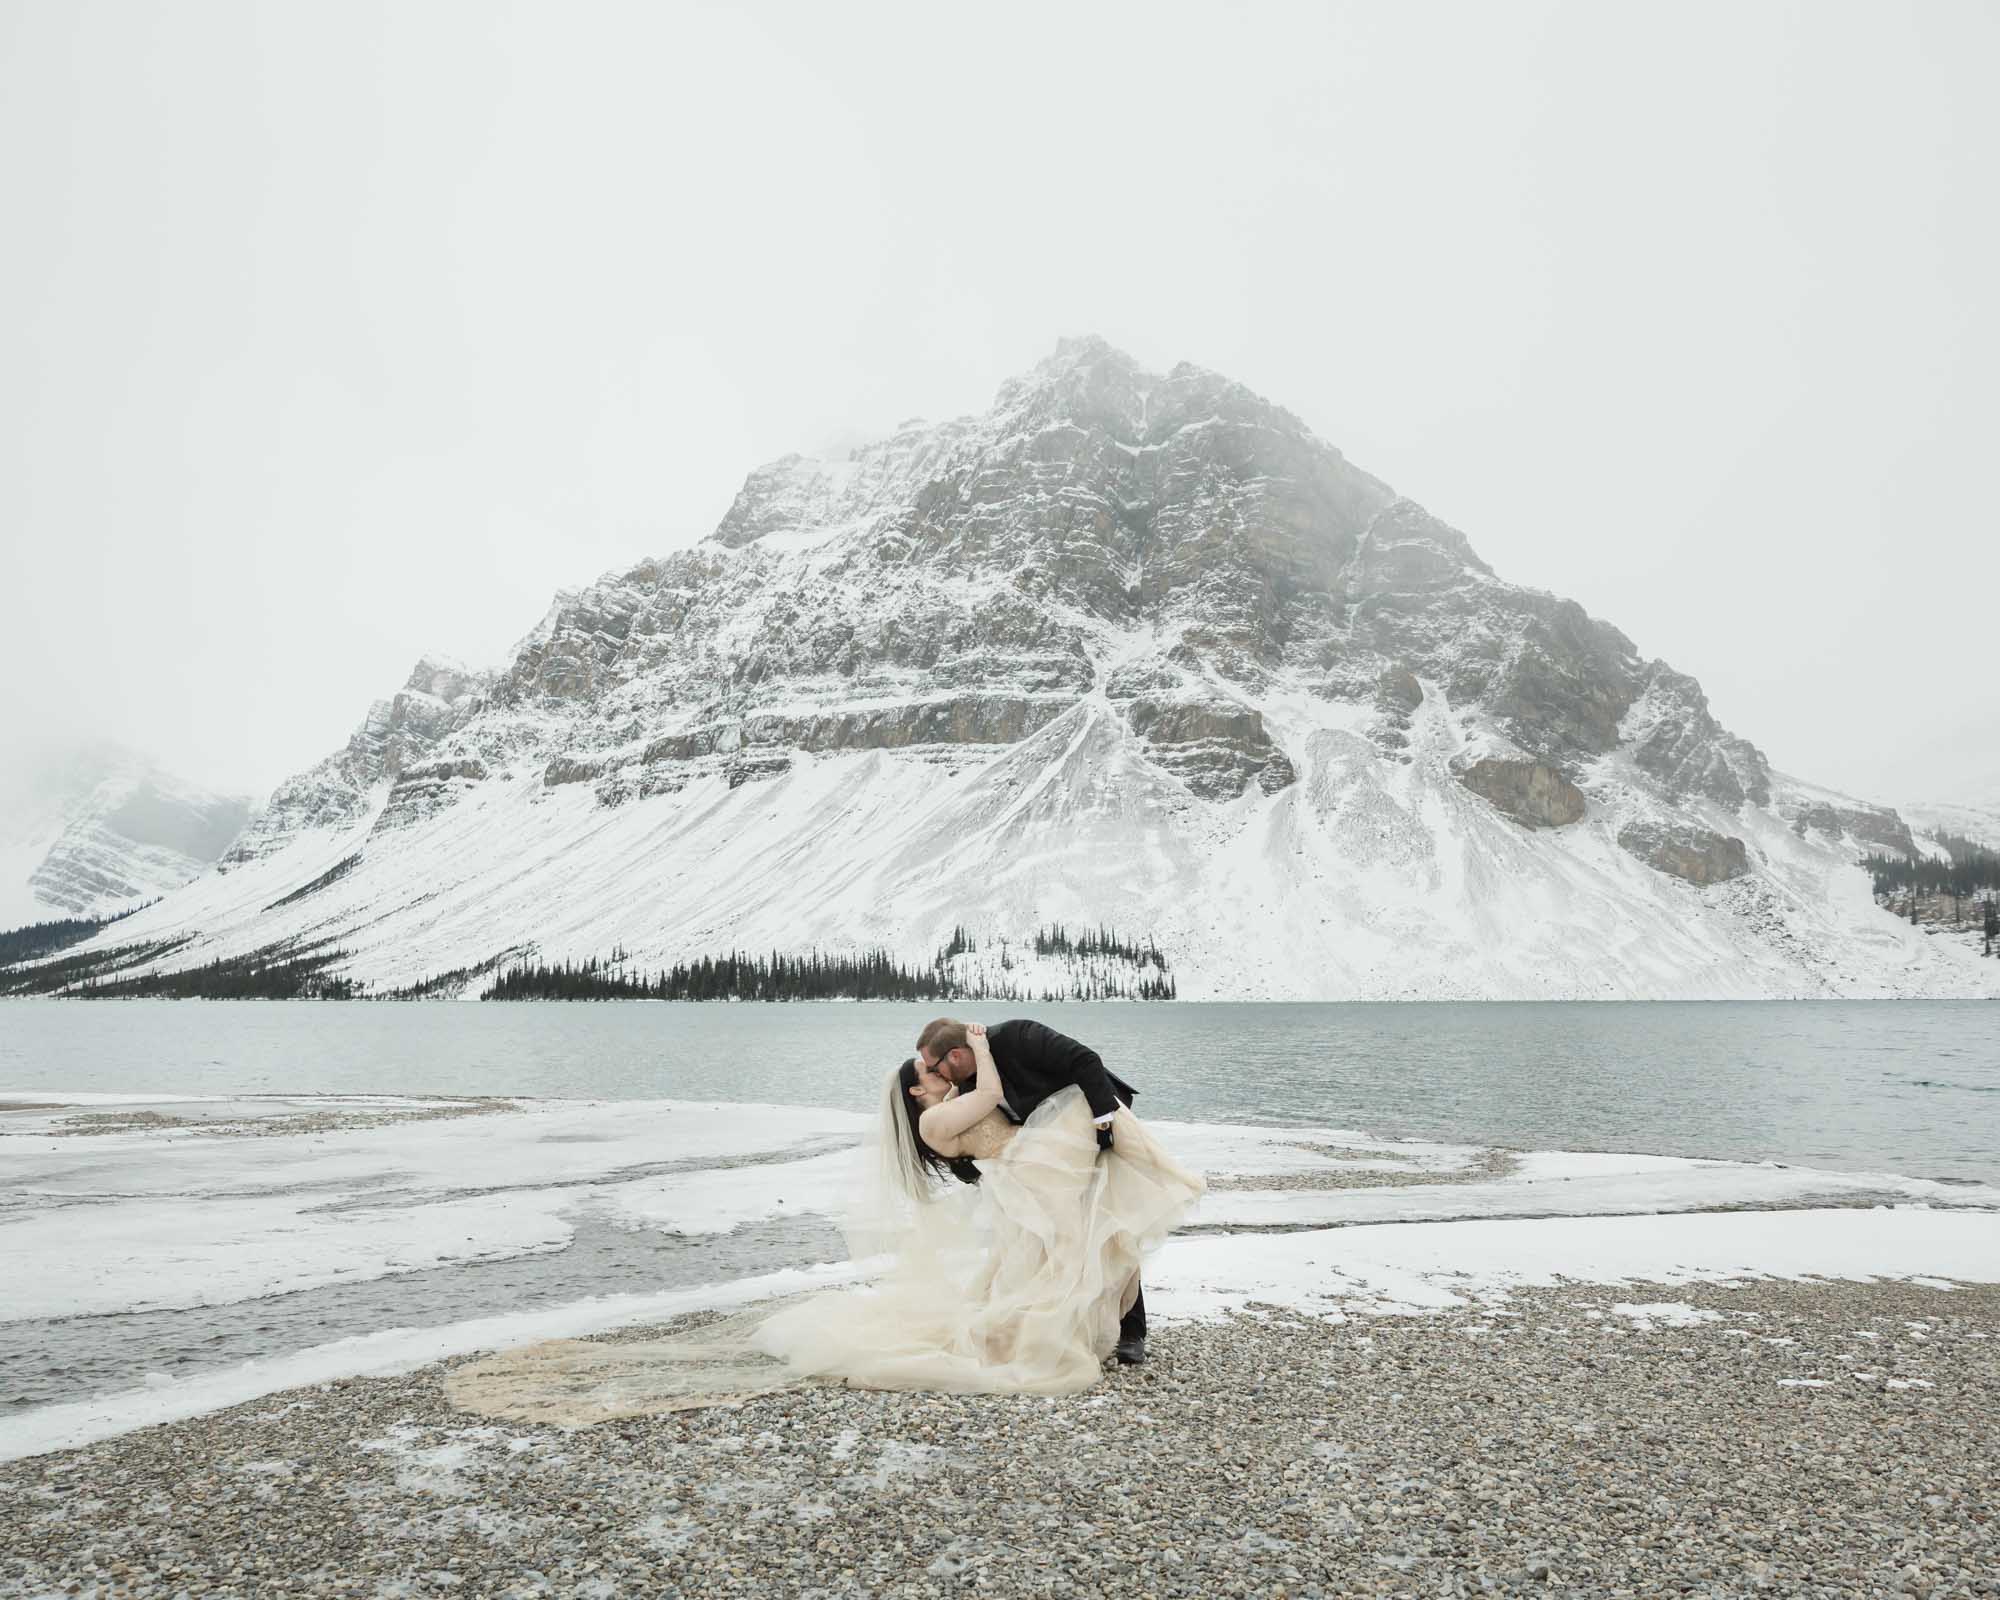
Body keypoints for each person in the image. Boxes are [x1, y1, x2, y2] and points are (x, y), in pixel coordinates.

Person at [445, 1023, 1202, 1425]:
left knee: (1080, 1250)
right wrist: (977, 1048)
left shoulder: (944, 1117)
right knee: (1083, 1249)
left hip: (1037, 1169)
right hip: (1034, 1174)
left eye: (929, 1068)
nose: (930, 1080)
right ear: (922, 1086)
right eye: (924, 1076)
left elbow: (1019, 1107)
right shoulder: (950, 1109)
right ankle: (1099, 1335)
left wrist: (1083, 1119)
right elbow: (998, 1096)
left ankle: (1109, 1332)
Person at [912, 1016, 1151, 1362]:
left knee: (1109, 1223)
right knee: (1068, 1238)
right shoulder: (967, 1089)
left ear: (956, 1055)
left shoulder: (1017, 1036)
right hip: (1049, 1158)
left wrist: (1103, 1124)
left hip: (1097, 1123)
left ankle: (1132, 1331)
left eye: (936, 1067)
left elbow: (1084, 1060)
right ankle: (1083, 1325)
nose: (937, 1075)